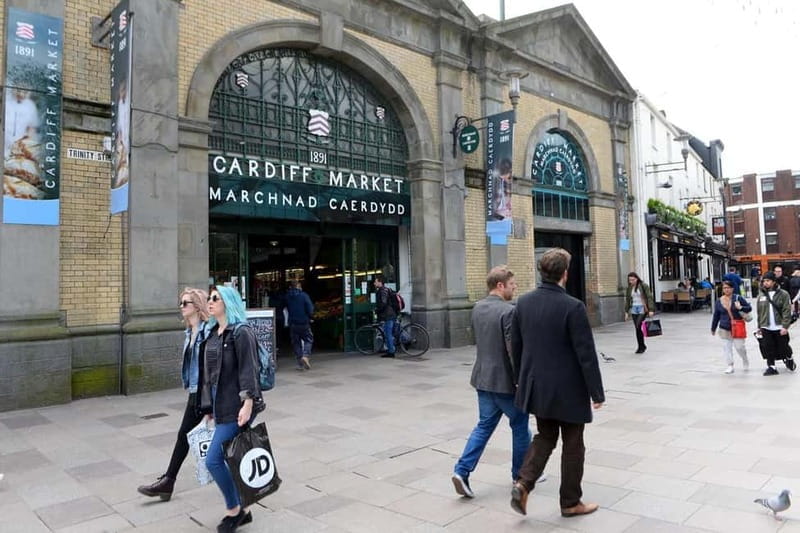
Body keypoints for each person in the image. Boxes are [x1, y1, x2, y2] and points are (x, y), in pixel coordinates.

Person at [509, 248, 605, 518]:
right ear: (565, 273)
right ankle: (570, 502)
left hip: (537, 386)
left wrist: (520, 380)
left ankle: (523, 483)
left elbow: (516, 346)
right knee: (573, 444)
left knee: (545, 436)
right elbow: (586, 354)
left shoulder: (523, 303)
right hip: (569, 389)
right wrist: (596, 392)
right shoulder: (573, 307)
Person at [451, 266, 531, 499]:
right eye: (512, 284)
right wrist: (520, 379)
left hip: (483, 378)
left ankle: (461, 471)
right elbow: (513, 349)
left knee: (484, 426)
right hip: (505, 382)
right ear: (500, 285)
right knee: (520, 425)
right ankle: (520, 476)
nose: (515, 288)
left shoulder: (478, 307)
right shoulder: (509, 311)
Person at [137, 288, 210, 501]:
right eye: (181, 303)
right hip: (196, 391)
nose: (181, 307)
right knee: (187, 435)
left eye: (185, 303)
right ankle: (168, 481)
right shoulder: (190, 331)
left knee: (193, 436)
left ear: (197, 306)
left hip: (206, 393)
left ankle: (168, 481)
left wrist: (211, 403)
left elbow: (213, 367)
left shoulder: (208, 331)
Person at [201, 286, 263, 531]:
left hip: (237, 406)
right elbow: (210, 375)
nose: (210, 301)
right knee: (228, 457)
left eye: (215, 298)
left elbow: (249, 369)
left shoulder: (241, 332)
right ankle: (243, 508)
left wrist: (248, 403)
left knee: (213, 460)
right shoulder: (214, 333)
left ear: (228, 302)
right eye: (209, 298)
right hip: (220, 405)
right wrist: (208, 406)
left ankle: (234, 509)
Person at [756, 272, 796, 376]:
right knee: (768, 347)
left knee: (783, 347)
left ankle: (789, 357)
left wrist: (785, 326)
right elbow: (759, 312)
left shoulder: (783, 294)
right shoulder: (761, 295)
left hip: (779, 326)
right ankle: (771, 367)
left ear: (774, 282)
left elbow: (787, 311)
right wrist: (759, 326)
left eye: (768, 281)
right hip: (766, 326)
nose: (765, 283)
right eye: (764, 281)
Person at [711, 280, 752, 374]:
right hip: (724, 327)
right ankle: (730, 365)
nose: (726, 290)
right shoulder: (719, 301)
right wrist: (713, 328)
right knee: (727, 348)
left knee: (739, 347)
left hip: (737, 327)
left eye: (728, 288)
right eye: (724, 288)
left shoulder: (738, 298)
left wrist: (740, 308)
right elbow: (716, 315)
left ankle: (745, 359)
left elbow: (749, 308)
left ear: (732, 289)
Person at [285, 280, 314, 371]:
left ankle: (300, 364)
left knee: (296, 343)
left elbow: (285, 308)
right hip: (304, 322)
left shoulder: (287, 296)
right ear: (299, 286)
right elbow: (310, 309)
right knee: (308, 339)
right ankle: (305, 355)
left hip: (293, 323)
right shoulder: (304, 296)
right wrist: (311, 317)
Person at [624, 272, 655, 354]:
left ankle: (642, 346)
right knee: (637, 328)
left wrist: (651, 309)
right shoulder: (629, 288)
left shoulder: (643, 286)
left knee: (638, 325)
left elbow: (649, 297)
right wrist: (626, 311)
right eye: (630, 280)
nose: (631, 281)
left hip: (642, 308)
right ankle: (641, 346)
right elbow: (628, 300)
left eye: (633, 280)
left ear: (637, 279)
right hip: (634, 308)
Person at [373, 274, 397, 358]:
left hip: (388, 315)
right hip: (390, 314)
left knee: (388, 334)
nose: (374, 283)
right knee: (388, 333)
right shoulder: (385, 290)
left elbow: (383, 303)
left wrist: (377, 310)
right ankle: (391, 349)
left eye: (375, 281)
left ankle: (391, 352)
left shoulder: (383, 291)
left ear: (380, 282)